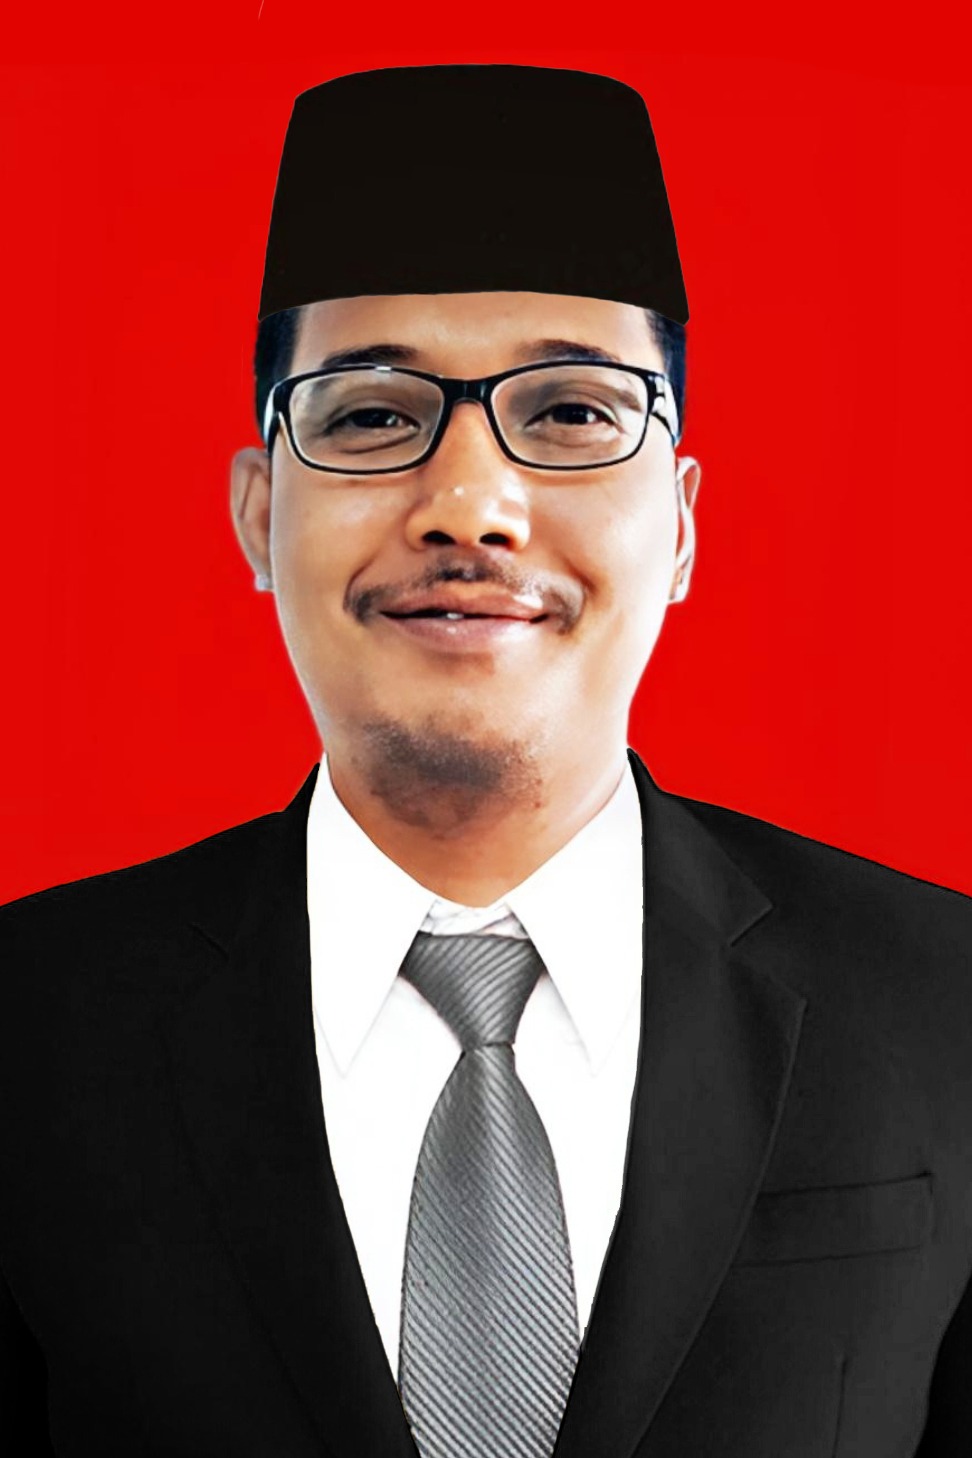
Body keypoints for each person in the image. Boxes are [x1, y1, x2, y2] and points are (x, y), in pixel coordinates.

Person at [0, 62, 970, 1458]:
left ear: (682, 523)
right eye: (371, 416)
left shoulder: (943, 1006)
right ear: (260, 514)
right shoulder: (31, 1030)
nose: (470, 504)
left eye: (571, 413)